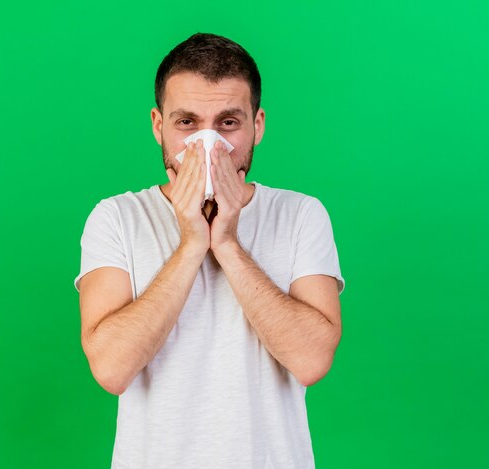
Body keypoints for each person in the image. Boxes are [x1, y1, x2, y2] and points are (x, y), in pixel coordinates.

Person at [74, 32, 345, 469]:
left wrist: (226, 242)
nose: (207, 144)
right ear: (158, 125)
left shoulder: (300, 214)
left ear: (257, 125)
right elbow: (111, 368)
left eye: (228, 123)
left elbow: (312, 359)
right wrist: (192, 244)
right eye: (187, 123)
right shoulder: (117, 218)